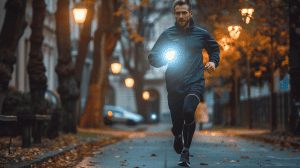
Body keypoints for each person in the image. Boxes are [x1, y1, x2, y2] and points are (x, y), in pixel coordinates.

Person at [148, 0, 220, 167]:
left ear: (190, 14)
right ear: (175, 14)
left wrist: (213, 62)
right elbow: (152, 57)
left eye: (184, 13)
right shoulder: (167, 35)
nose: (181, 16)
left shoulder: (201, 34)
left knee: (189, 111)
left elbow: (214, 48)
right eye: (178, 13)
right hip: (174, 84)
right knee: (177, 121)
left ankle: (185, 152)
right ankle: (177, 135)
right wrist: (164, 58)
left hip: (195, 81)